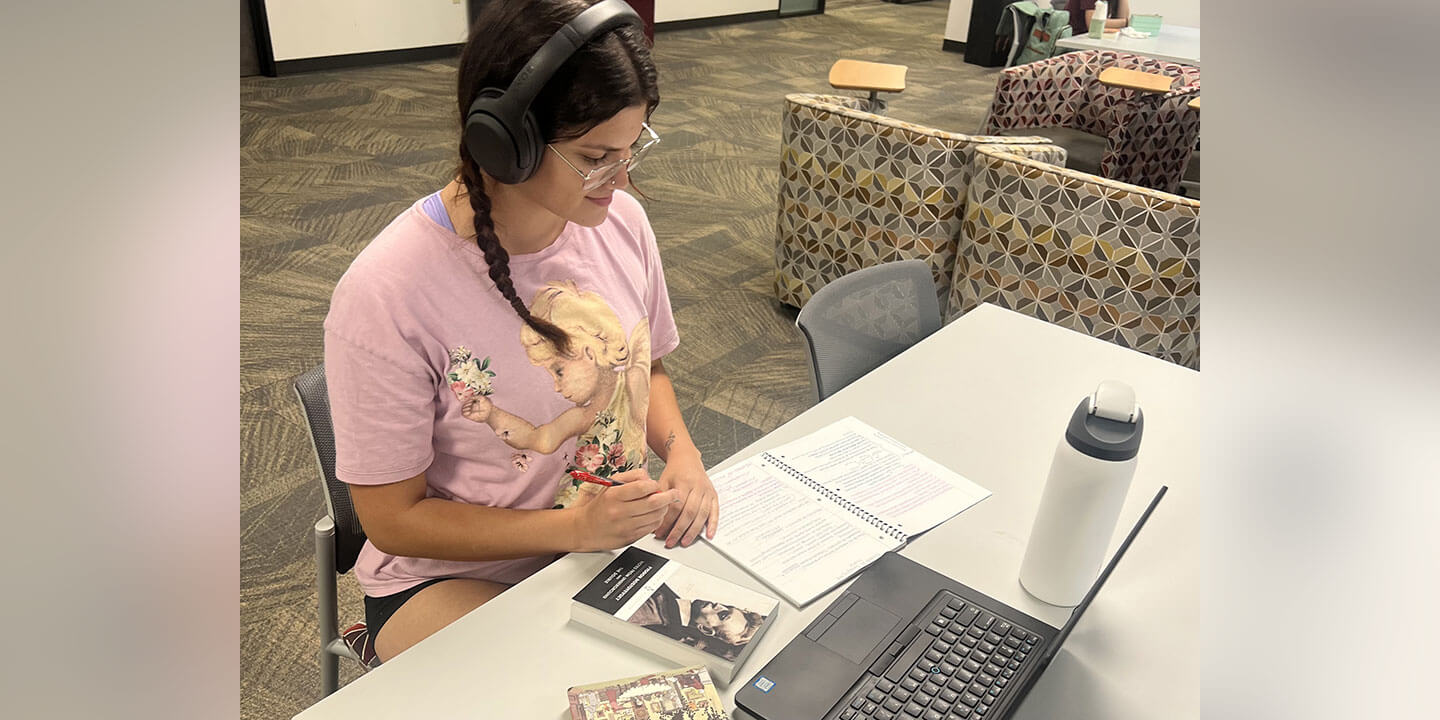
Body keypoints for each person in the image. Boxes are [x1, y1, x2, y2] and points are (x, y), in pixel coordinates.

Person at [322, 0, 719, 663]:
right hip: (451, 576)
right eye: (597, 156)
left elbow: (645, 369)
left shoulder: (619, 220)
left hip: (597, 541)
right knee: (569, 687)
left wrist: (683, 454)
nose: (623, 180)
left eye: (633, 147)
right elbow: (394, 520)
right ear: (504, 144)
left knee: (713, 666)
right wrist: (572, 528)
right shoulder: (385, 294)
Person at [626, 584, 768, 661]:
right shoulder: (670, 603)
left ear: (706, 630)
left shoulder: (649, 610)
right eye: (728, 607)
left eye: (723, 615)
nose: (719, 605)